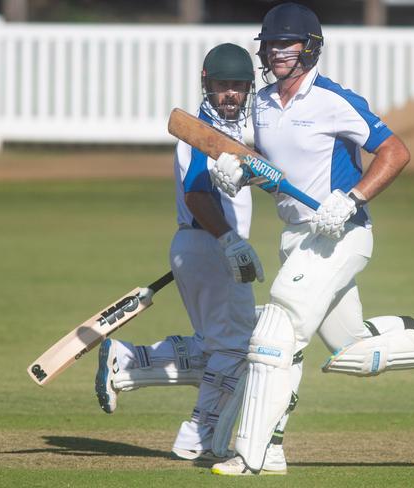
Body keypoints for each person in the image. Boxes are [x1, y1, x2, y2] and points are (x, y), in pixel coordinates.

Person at [209, 3, 414, 475]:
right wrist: (238, 174)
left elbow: (395, 151)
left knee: (277, 329)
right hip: (296, 237)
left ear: (310, 47)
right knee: (354, 352)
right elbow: (268, 167)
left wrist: (352, 199)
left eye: (287, 43)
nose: (277, 52)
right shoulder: (260, 103)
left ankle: (256, 454)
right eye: (271, 44)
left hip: (342, 234)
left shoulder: (333, 99)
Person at [93, 43, 287, 471]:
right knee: (238, 349)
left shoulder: (230, 133)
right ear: (207, 84)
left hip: (201, 246)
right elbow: (198, 194)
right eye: (223, 86)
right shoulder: (200, 131)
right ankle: (200, 436)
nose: (231, 94)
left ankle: (129, 361)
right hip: (209, 243)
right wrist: (228, 242)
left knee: (218, 346)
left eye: (239, 86)